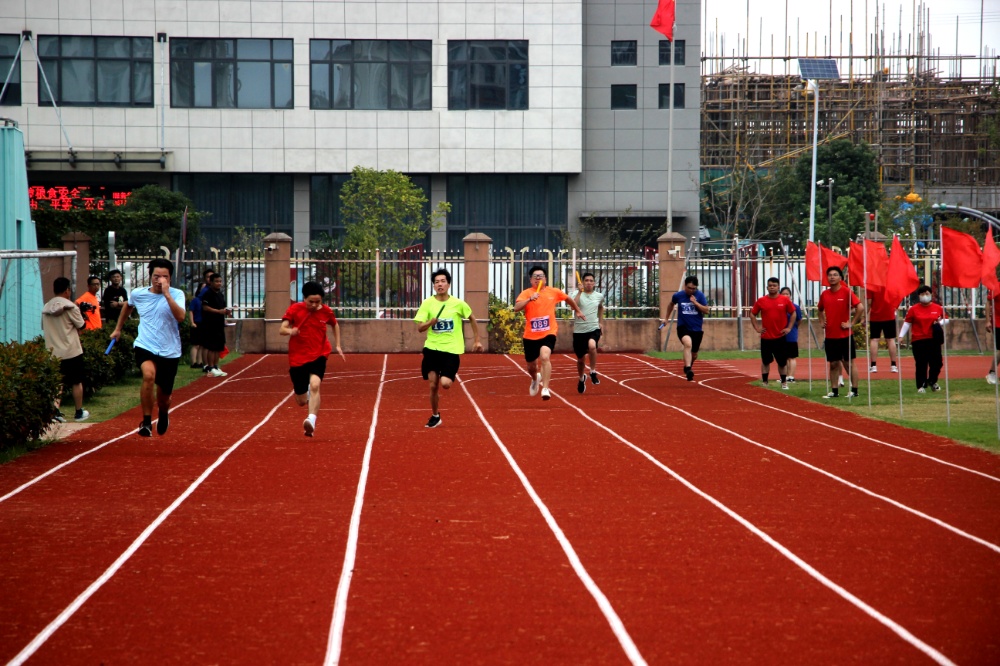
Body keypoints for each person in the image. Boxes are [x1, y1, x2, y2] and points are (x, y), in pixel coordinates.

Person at [110, 258, 185, 437]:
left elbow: (181, 317)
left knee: (164, 398)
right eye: (156, 276)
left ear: (170, 278)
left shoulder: (177, 294)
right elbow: (128, 306)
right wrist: (118, 329)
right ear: (150, 276)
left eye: (164, 277)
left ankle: (163, 413)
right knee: (149, 375)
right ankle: (146, 422)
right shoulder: (138, 293)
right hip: (145, 344)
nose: (160, 280)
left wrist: (167, 295)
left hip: (169, 350)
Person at [414, 268, 483, 427]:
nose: (440, 284)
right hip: (432, 348)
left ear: (448, 284)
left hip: (451, 350)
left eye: (443, 281)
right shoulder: (427, 303)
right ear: (433, 286)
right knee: (433, 385)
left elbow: (472, 318)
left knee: (445, 383)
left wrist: (477, 340)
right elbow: (419, 328)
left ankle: (448, 373)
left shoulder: (458, 304)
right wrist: (430, 323)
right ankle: (435, 415)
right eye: (437, 282)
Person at [280, 280, 345, 437]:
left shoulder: (326, 311)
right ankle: (307, 393)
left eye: (318, 301)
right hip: (298, 357)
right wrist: (291, 331)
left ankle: (311, 420)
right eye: (311, 302)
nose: (314, 305)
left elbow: (335, 324)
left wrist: (338, 345)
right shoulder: (294, 309)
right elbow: (282, 329)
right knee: (301, 401)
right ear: (304, 298)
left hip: (319, 353)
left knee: (315, 385)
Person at [512, 265, 584, 401]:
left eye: (541, 276)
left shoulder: (554, 292)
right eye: (535, 276)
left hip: (548, 332)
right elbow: (516, 308)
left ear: (545, 279)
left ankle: (545, 388)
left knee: (545, 356)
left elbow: (568, 299)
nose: (538, 278)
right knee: (531, 367)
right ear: (530, 280)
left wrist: (578, 310)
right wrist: (529, 299)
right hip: (530, 335)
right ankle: (535, 379)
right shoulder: (526, 293)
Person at [42, 277, 89, 423]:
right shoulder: (71, 307)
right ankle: (78, 412)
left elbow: (43, 327)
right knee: (76, 381)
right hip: (71, 350)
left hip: (53, 351)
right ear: (67, 290)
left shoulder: (46, 307)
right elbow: (82, 326)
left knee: (58, 383)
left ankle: (55, 411)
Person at [817, 265, 865, 399]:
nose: (832, 277)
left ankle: (854, 390)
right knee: (833, 363)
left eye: (835, 275)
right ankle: (834, 391)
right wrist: (822, 321)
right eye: (830, 275)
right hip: (830, 335)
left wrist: (852, 323)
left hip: (845, 335)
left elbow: (860, 307)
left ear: (840, 278)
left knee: (848, 362)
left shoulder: (846, 292)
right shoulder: (825, 294)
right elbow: (819, 309)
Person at [750, 277, 796, 389]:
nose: (772, 287)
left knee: (782, 362)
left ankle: (784, 382)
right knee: (765, 361)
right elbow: (752, 314)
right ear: (767, 287)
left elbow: (793, 313)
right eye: (770, 285)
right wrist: (757, 328)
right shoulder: (761, 301)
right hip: (766, 337)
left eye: (774, 285)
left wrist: (789, 328)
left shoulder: (784, 300)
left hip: (780, 337)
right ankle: (765, 382)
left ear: (778, 287)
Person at [900, 285, 948, 393]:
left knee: (937, 363)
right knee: (921, 363)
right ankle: (921, 385)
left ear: (931, 295)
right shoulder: (913, 309)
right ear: (919, 296)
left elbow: (946, 319)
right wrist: (901, 335)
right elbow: (907, 323)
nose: (925, 296)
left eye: (927, 294)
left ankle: (932, 381)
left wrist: (939, 322)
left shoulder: (938, 308)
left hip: (933, 339)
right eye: (922, 294)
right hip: (919, 340)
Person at [660, 275, 709, 381]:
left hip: (696, 329)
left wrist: (695, 303)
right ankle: (688, 369)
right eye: (689, 288)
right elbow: (671, 305)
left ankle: (688, 365)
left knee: (694, 354)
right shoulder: (678, 296)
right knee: (688, 344)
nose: (691, 290)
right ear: (685, 286)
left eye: (693, 288)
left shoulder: (699, 296)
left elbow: (706, 310)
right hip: (683, 327)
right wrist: (666, 318)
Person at [570, 272, 604, 393]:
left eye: (591, 281)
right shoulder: (575, 294)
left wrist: (601, 322)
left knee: (592, 346)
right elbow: (572, 307)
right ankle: (581, 378)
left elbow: (601, 307)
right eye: (586, 280)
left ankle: (592, 371)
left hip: (593, 328)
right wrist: (579, 292)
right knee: (580, 360)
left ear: (594, 283)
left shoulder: (599, 296)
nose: (589, 283)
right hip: (579, 331)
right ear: (583, 282)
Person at [200, 272, 230, 377]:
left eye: (220, 281)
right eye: (216, 281)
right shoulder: (208, 294)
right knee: (211, 347)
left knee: (218, 346)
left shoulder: (220, 294)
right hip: (210, 324)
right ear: (211, 282)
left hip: (219, 324)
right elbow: (205, 307)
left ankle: (216, 366)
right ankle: (210, 367)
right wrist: (218, 311)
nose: (219, 283)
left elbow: (223, 307)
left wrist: (226, 311)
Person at [867, 286, 900, 373]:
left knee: (874, 339)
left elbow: (869, 302)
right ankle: (893, 365)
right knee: (891, 339)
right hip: (889, 315)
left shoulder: (871, 285)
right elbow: (898, 297)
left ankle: (873, 365)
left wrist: (865, 315)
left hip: (875, 316)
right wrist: (894, 307)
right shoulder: (891, 284)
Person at [780, 287, 803, 382]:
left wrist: (793, 328)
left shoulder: (795, 307)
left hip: (791, 335)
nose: (785, 295)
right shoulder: (779, 306)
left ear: (790, 295)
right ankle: (785, 376)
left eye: (787, 294)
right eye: (783, 294)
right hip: (781, 335)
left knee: (791, 357)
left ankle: (791, 376)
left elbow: (799, 320)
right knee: (783, 357)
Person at [188, 288, 204, 370]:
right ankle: (193, 362)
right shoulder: (195, 300)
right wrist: (192, 322)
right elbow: (191, 311)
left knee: (201, 345)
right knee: (195, 344)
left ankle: (199, 362)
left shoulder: (204, 301)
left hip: (203, 324)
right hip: (196, 323)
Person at [987, 291, 999, 385]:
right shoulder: (996, 287)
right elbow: (988, 303)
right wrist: (988, 321)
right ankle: (992, 372)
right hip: (998, 323)